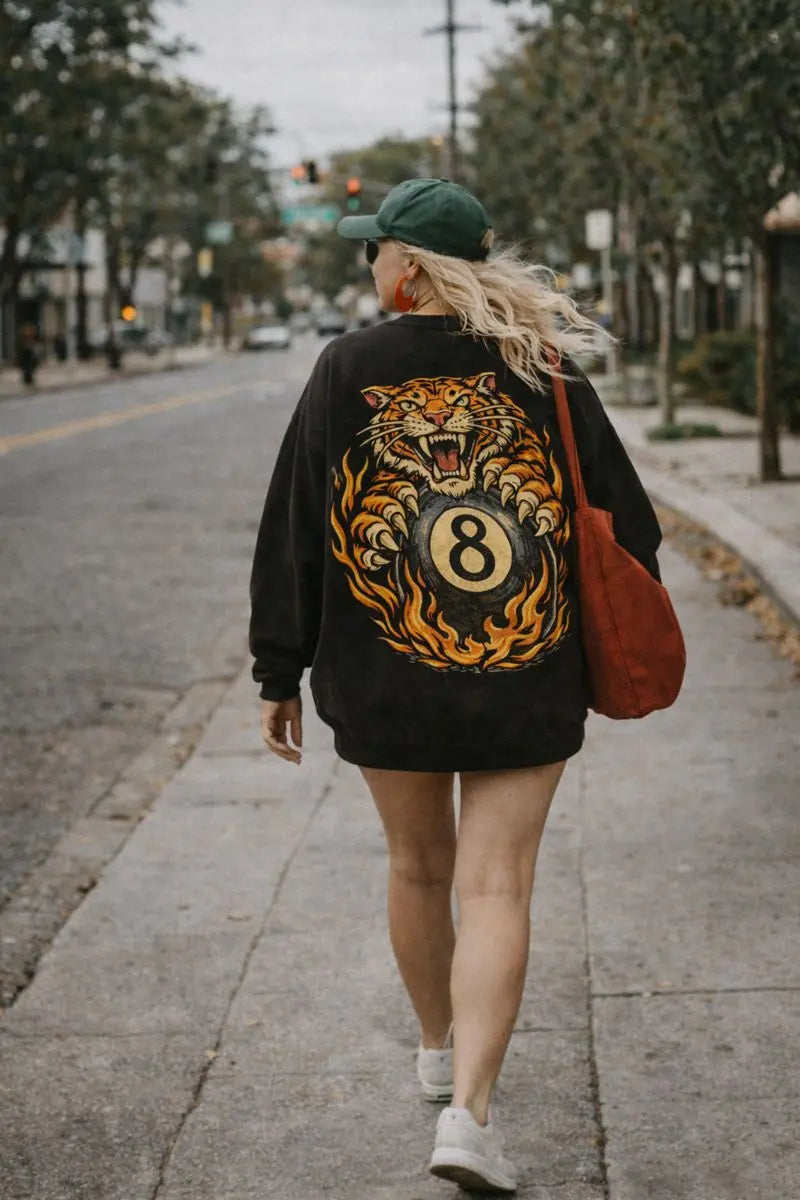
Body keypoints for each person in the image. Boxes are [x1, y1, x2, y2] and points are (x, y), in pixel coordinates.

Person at [249, 178, 662, 1193]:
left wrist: (277, 668)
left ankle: (436, 1048)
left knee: (418, 869)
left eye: (375, 251)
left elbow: (297, 528)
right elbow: (633, 529)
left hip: (384, 676)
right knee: (496, 886)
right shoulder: (545, 372)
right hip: (523, 674)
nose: (369, 267)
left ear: (408, 267)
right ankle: (469, 1117)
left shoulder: (345, 367)